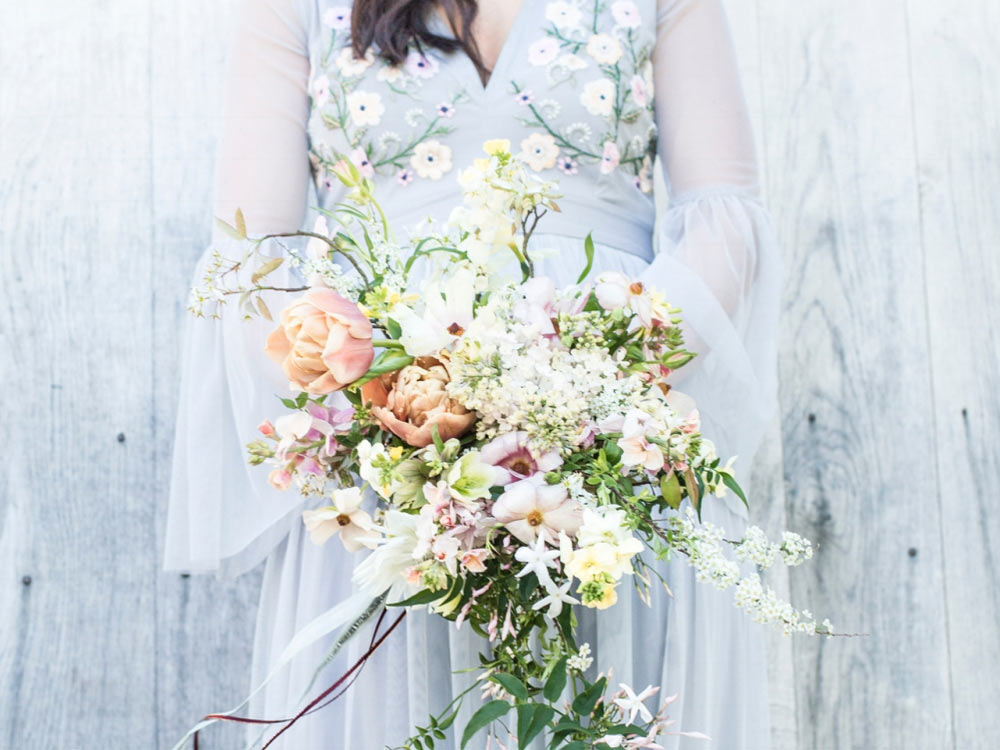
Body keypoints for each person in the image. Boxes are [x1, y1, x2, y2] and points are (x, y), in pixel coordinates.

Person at [166, 0, 783, 746]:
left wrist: (597, 378)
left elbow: (725, 216)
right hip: (388, 443)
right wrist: (383, 397)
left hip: (617, 434)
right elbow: (251, 256)